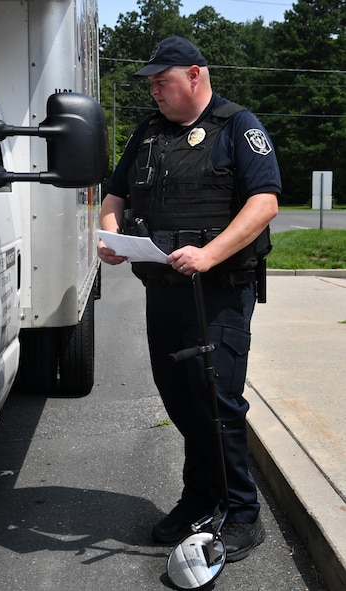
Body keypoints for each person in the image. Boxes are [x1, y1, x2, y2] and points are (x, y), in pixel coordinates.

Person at [97, 36, 280, 562]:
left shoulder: (238, 127)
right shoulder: (149, 133)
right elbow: (116, 197)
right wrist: (110, 237)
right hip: (165, 293)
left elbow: (264, 202)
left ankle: (242, 512)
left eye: (162, 81)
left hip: (218, 295)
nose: (154, 91)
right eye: (151, 83)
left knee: (217, 403)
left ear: (195, 76)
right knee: (180, 399)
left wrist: (209, 254)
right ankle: (200, 498)